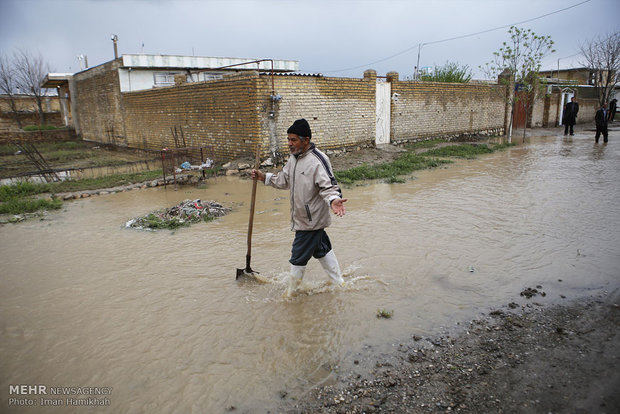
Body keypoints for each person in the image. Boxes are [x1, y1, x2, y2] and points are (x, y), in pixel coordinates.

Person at [251, 119, 348, 295]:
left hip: (311, 220)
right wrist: (263, 177)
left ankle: (291, 294)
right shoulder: (294, 159)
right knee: (322, 249)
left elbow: (329, 185)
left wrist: (334, 200)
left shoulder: (318, 160)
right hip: (303, 216)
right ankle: (339, 284)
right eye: (288, 139)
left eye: (293, 140)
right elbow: (284, 180)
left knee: (298, 257)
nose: (289, 143)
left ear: (306, 139)